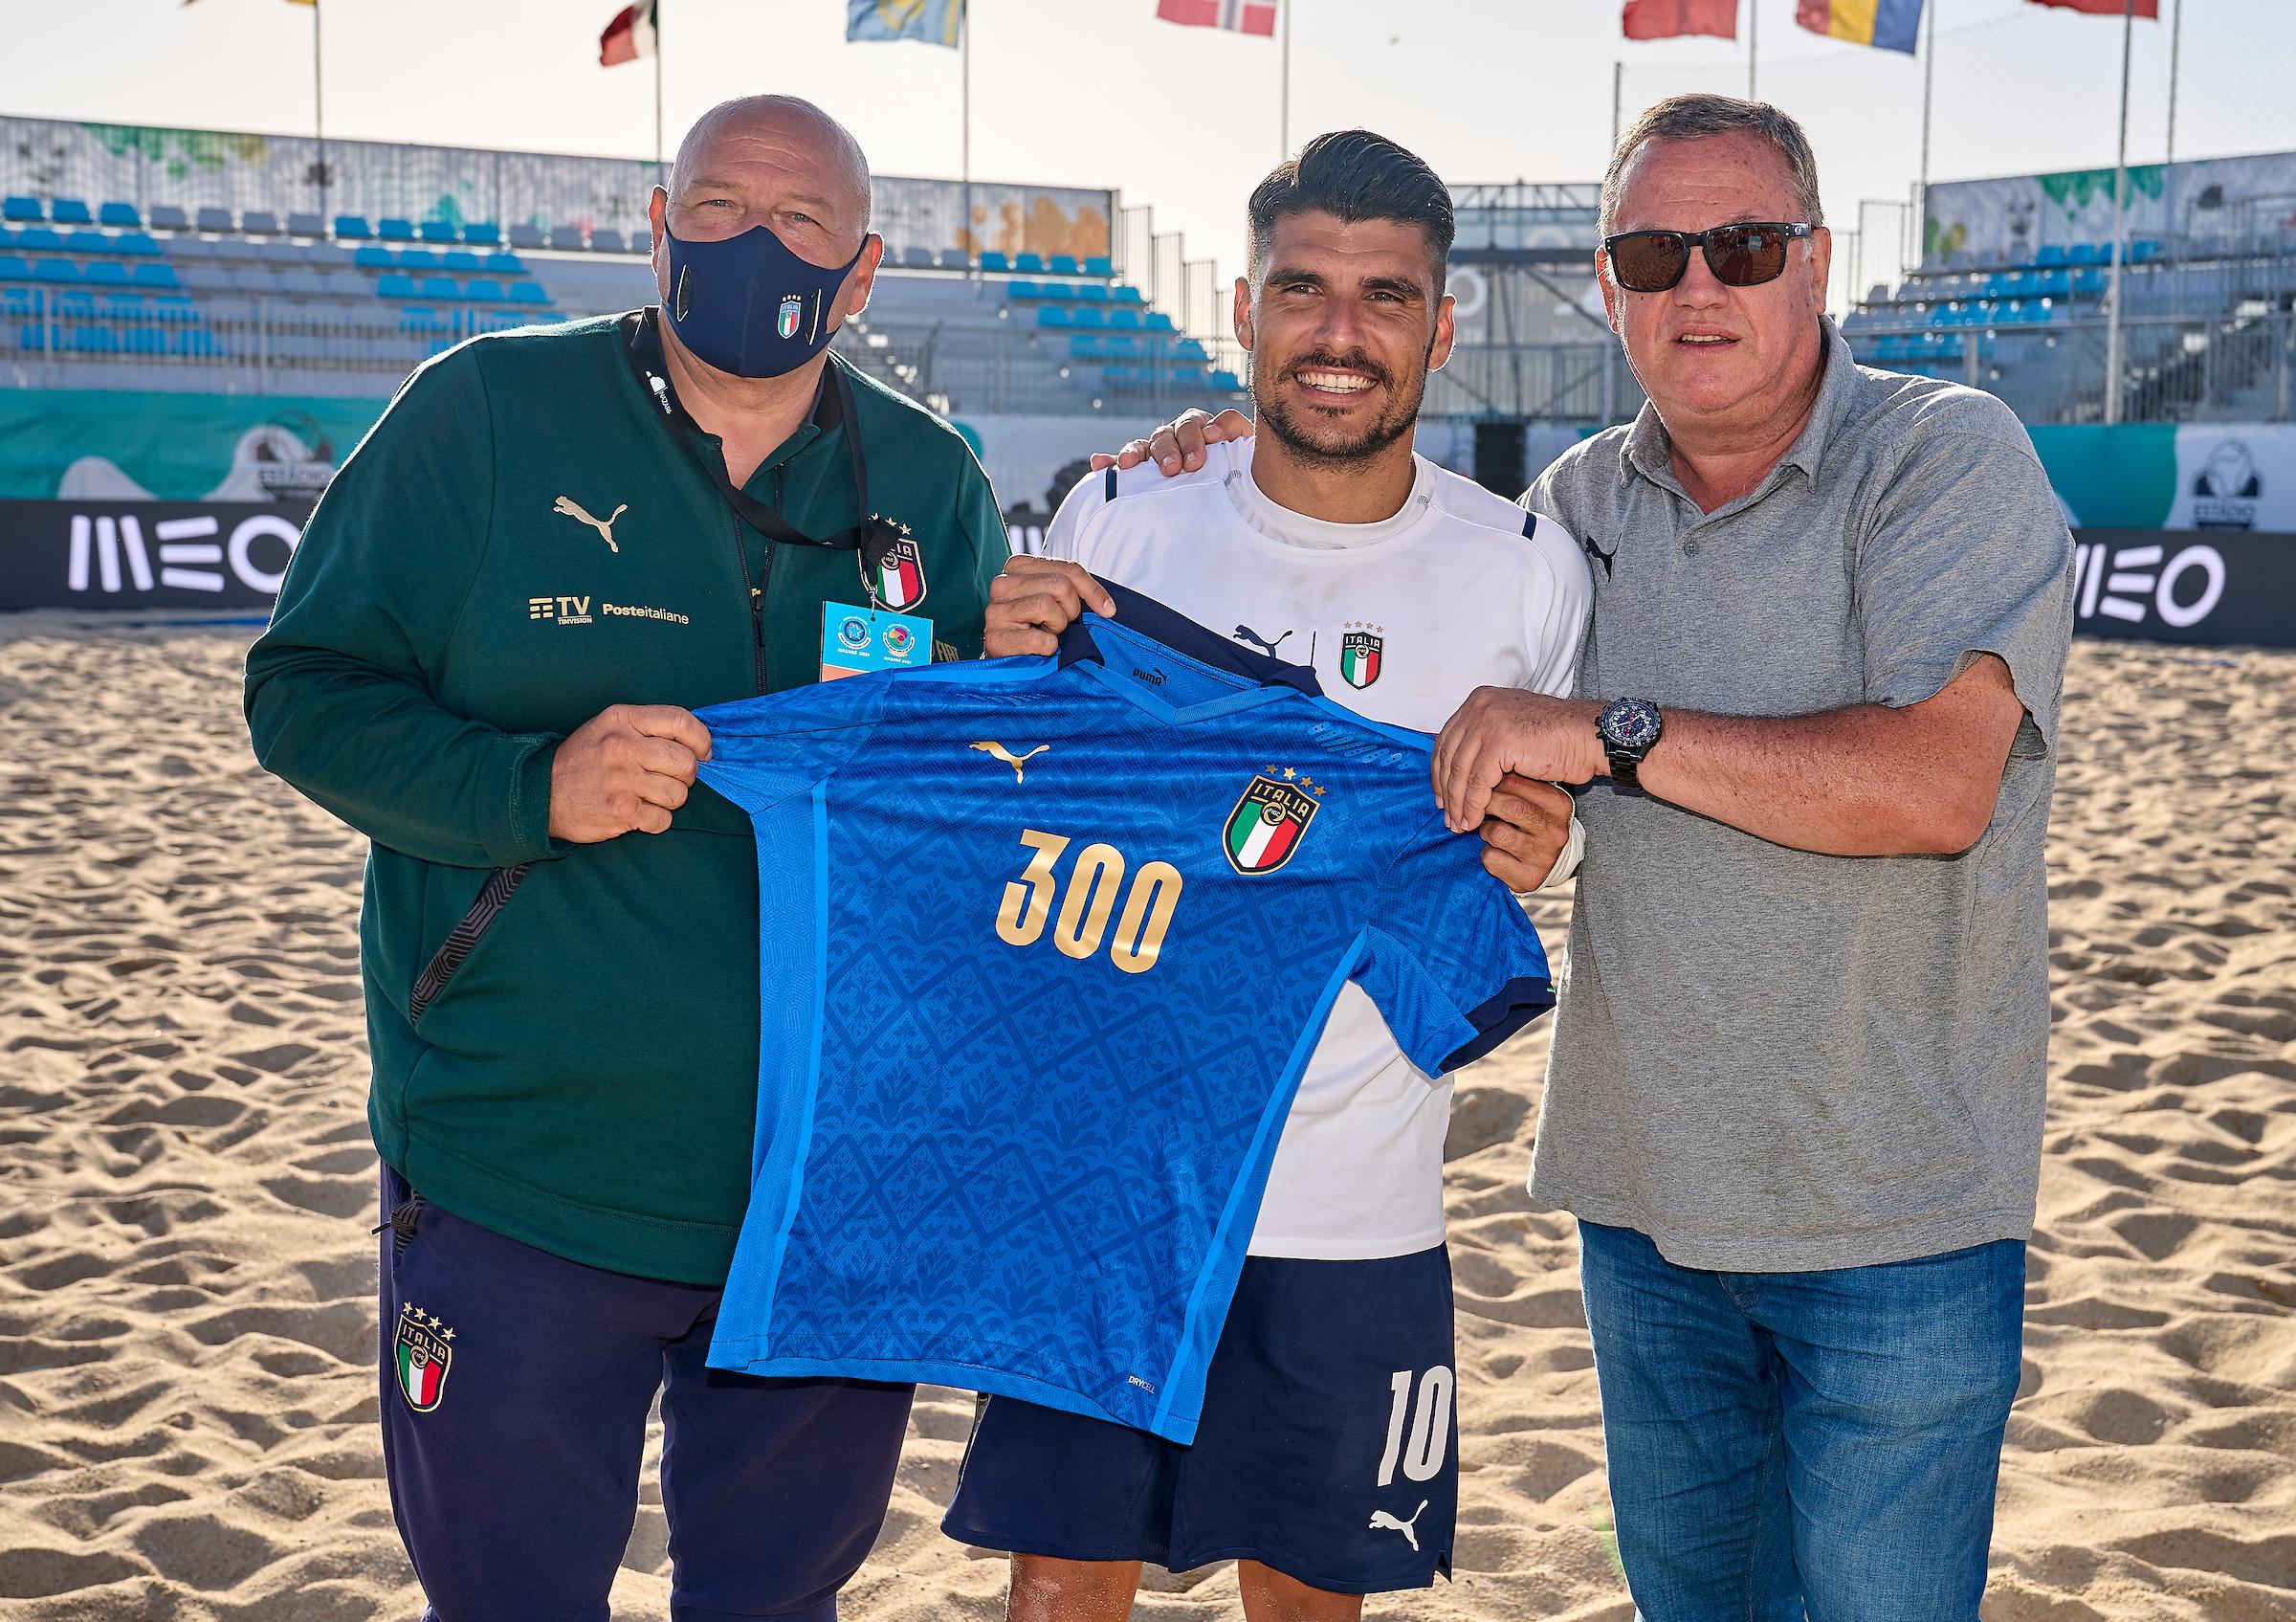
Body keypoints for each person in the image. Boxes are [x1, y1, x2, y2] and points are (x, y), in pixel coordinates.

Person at [1108, 93, 2075, 1622]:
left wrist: (1601, 734)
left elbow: (1937, 786)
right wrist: (1216, 454)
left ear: (1815, 264)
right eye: (1653, 251)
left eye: (1743, 247)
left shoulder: (1943, 455)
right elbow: (1503, 814)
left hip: (1894, 1216)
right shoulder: (1565, 518)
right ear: (1610, 285)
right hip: (1642, 1210)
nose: (1700, 286)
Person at [244, 96, 1007, 1620]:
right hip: (522, 1173)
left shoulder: (928, 484)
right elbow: (303, 692)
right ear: (655, 227)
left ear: (859, 278)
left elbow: (979, 791)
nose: (752, 245)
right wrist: (535, 786)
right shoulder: (485, 413)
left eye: (800, 225)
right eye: (717, 206)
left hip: (822, 1193)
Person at [943, 130, 1591, 1622]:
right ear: (1244, 309)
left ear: (1442, 322)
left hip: (1353, 1199)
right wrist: (999, 688)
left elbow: (1552, 828)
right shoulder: (1124, 520)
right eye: (1303, 288)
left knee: (1313, 1595)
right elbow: (1012, 806)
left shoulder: (1524, 572)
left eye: (1384, 294)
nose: (1339, 331)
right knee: (1059, 1585)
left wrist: (1546, 846)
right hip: (1109, 1182)